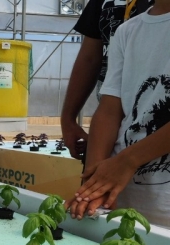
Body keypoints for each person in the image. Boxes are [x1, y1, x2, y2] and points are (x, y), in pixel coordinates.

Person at [65, 0, 170, 228]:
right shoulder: (128, 30)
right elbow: (110, 110)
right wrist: (94, 183)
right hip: (123, 192)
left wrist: (127, 161)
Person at [60, 0, 154, 159]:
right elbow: (89, 58)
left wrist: (128, 161)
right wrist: (68, 119)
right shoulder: (124, 29)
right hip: (108, 126)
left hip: (154, 128)